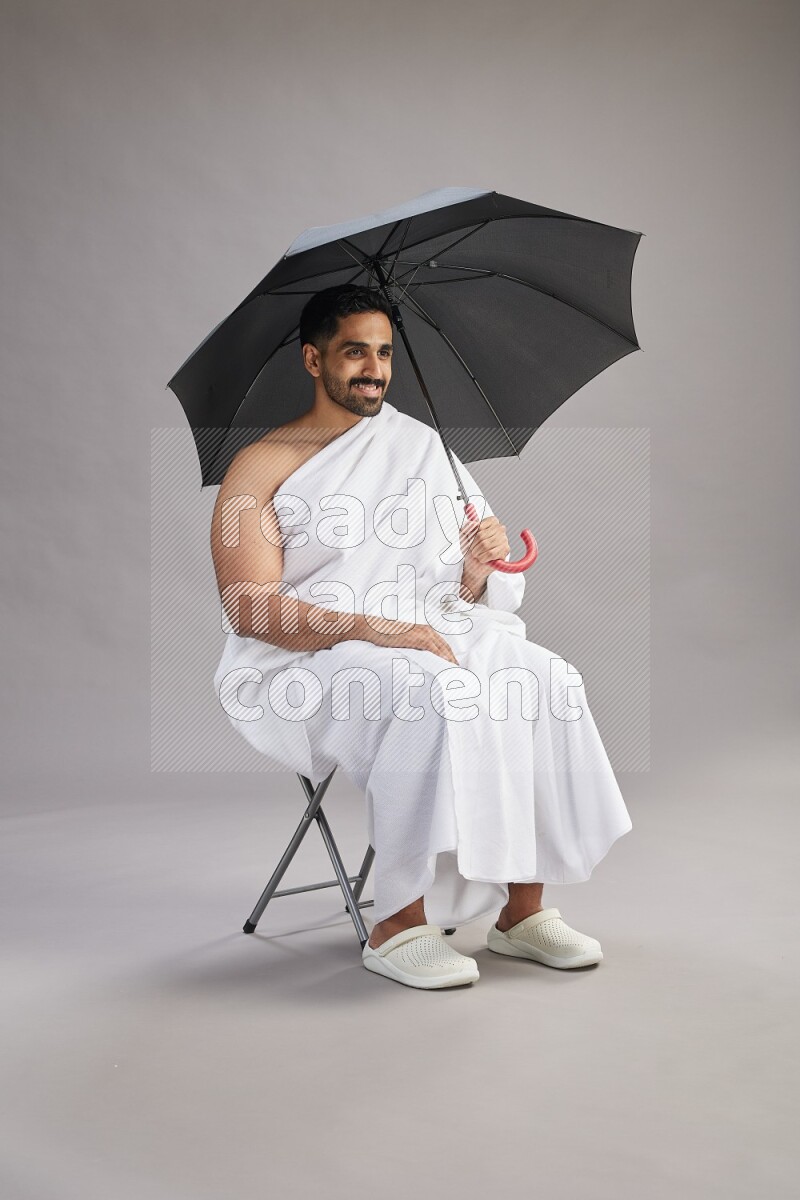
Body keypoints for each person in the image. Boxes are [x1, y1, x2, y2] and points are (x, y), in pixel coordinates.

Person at [211, 284, 633, 991]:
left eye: (382, 353)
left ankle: (521, 914)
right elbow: (251, 609)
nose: (374, 369)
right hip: (310, 654)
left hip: (425, 629)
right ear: (314, 360)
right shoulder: (257, 467)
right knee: (424, 692)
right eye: (354, 352)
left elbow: (460, 596)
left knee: (543, 679)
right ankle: (398, 923)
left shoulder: (424, 447)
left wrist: (474, 567)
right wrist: (373, 627)